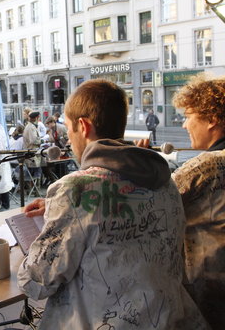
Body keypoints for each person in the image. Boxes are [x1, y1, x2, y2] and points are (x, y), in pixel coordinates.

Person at [17, 79, 207, 329]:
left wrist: (60, 213)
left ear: (83, 126)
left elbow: (36, 282)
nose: (69, 139)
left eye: (69, 129)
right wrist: (62, 207)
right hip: (169, 318)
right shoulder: (166, 183)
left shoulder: (75, 190)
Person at [136, 77, 225, 329]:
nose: (185, 125)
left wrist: (142, 164)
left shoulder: (206, 167)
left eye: (188, 116)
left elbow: (146, 202)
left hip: (210, 291)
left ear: (212, 119)